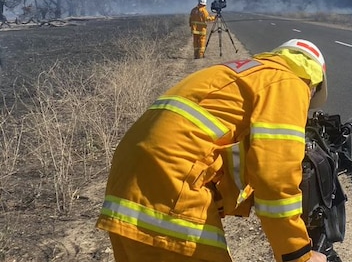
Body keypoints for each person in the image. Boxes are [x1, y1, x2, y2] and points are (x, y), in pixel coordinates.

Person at [96, 39, 330, 262]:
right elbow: (276, 177)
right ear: (314, 83)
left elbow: (218, 148)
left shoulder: (247, 74)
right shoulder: (290, 83)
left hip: (128, 187)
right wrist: (298, 255)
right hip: (169, 192)